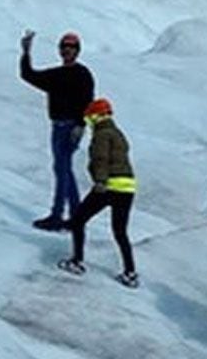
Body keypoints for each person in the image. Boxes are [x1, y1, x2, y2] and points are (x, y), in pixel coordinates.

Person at [57, 98, 137, 285]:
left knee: (78, 220)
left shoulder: (102, 134)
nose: (88, 121)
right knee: (120, 231)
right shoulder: (118, 133)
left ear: (96, 116)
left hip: (108, 186)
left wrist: (100, 181)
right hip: (127, 187)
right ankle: (130, 272)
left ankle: (77, 261)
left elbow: (100, 158)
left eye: (90, 117)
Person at [20, 30, 95, 230]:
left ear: (77, 51)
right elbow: (28, 75)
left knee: (62, 169)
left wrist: (81, 124)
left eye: (71, 47)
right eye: (64, 47)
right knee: (63, 169)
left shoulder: (82, 74)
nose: (67, 50)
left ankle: (57, 215)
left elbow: (88, 102)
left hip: (70, 127)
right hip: (58, 126)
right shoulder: (57, 74)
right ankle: (76, 215)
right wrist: (26, 53)